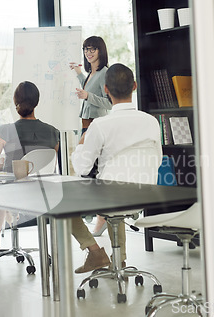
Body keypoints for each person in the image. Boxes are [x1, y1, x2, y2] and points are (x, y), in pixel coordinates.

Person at [71, 63, 162, 271]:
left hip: (114, 197)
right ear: (135, 86)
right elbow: (157, 161)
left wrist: (80, 145)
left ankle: (94, 252)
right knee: (116, 190)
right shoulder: (151, 122)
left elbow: (83, 168)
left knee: (61, 203)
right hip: (146, 196)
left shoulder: (100, 125)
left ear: (105, 89)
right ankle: (119, 259)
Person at [0, 81, 60, 255]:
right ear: (36, 102)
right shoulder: (53, 132)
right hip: (44, 194)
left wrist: (1, 163)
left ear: (15, 102)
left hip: (14, 194)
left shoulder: (5, 130)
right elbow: (51, 164)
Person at [69, 36, 112, 237]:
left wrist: (88, 97)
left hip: (96, 124)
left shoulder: (105, 73)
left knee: (91, 173)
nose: (89, 52)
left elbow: (108, 103)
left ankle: (101, 217)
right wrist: (79, 73)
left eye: (93, 49)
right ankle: (99, 216)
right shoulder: (91, 73)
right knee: (88, 171)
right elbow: (88, 89)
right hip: (86, 125)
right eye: (86, 49)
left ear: (100, 51)